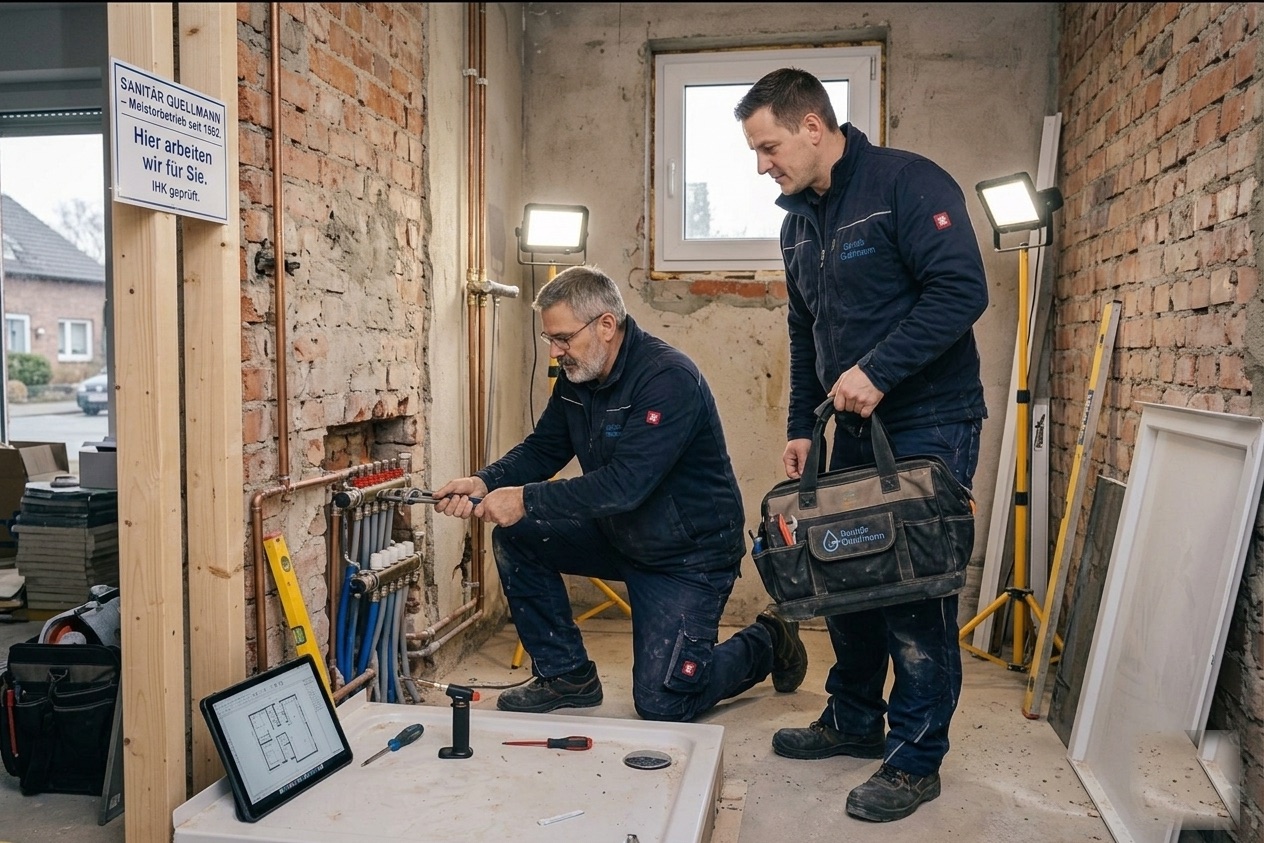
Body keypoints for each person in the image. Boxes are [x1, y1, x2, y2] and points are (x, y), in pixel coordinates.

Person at [735, 68, 988, 822]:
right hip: (844, 426)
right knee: (840, 570)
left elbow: (960, 289)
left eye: (769, 146)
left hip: (929, 420)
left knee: (911, 587)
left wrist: (879, 369)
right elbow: (805, 331)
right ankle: (853, 717)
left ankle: (914, 756)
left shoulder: (907, 184)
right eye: (755, 152)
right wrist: (798, 428)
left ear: (813, 126)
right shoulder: (796, 223)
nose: (762, 165)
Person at [434, 264, 807, 722]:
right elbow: (545, 447)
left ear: (606, 325)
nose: (555, 351)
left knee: (665, 703)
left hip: (686, 556)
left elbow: (625, 485)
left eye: (563, 338)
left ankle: (769, 640)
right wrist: (485, 481)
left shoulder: (667, 379)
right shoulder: (577, 380)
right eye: (551, 340)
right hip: (621, 534)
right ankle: (566, 675)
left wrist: (525, 499)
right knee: (518, 534)